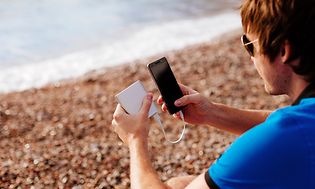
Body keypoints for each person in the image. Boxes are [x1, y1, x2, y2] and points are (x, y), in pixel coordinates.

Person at [111, 0, 315, 188]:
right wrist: (211, 113)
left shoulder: (279, 139)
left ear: (283, 51)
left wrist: (135, 138)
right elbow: (290, 123)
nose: (251, 58)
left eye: (250, 45)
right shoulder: (301, 123)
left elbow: (285, 131)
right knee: (182, 184)